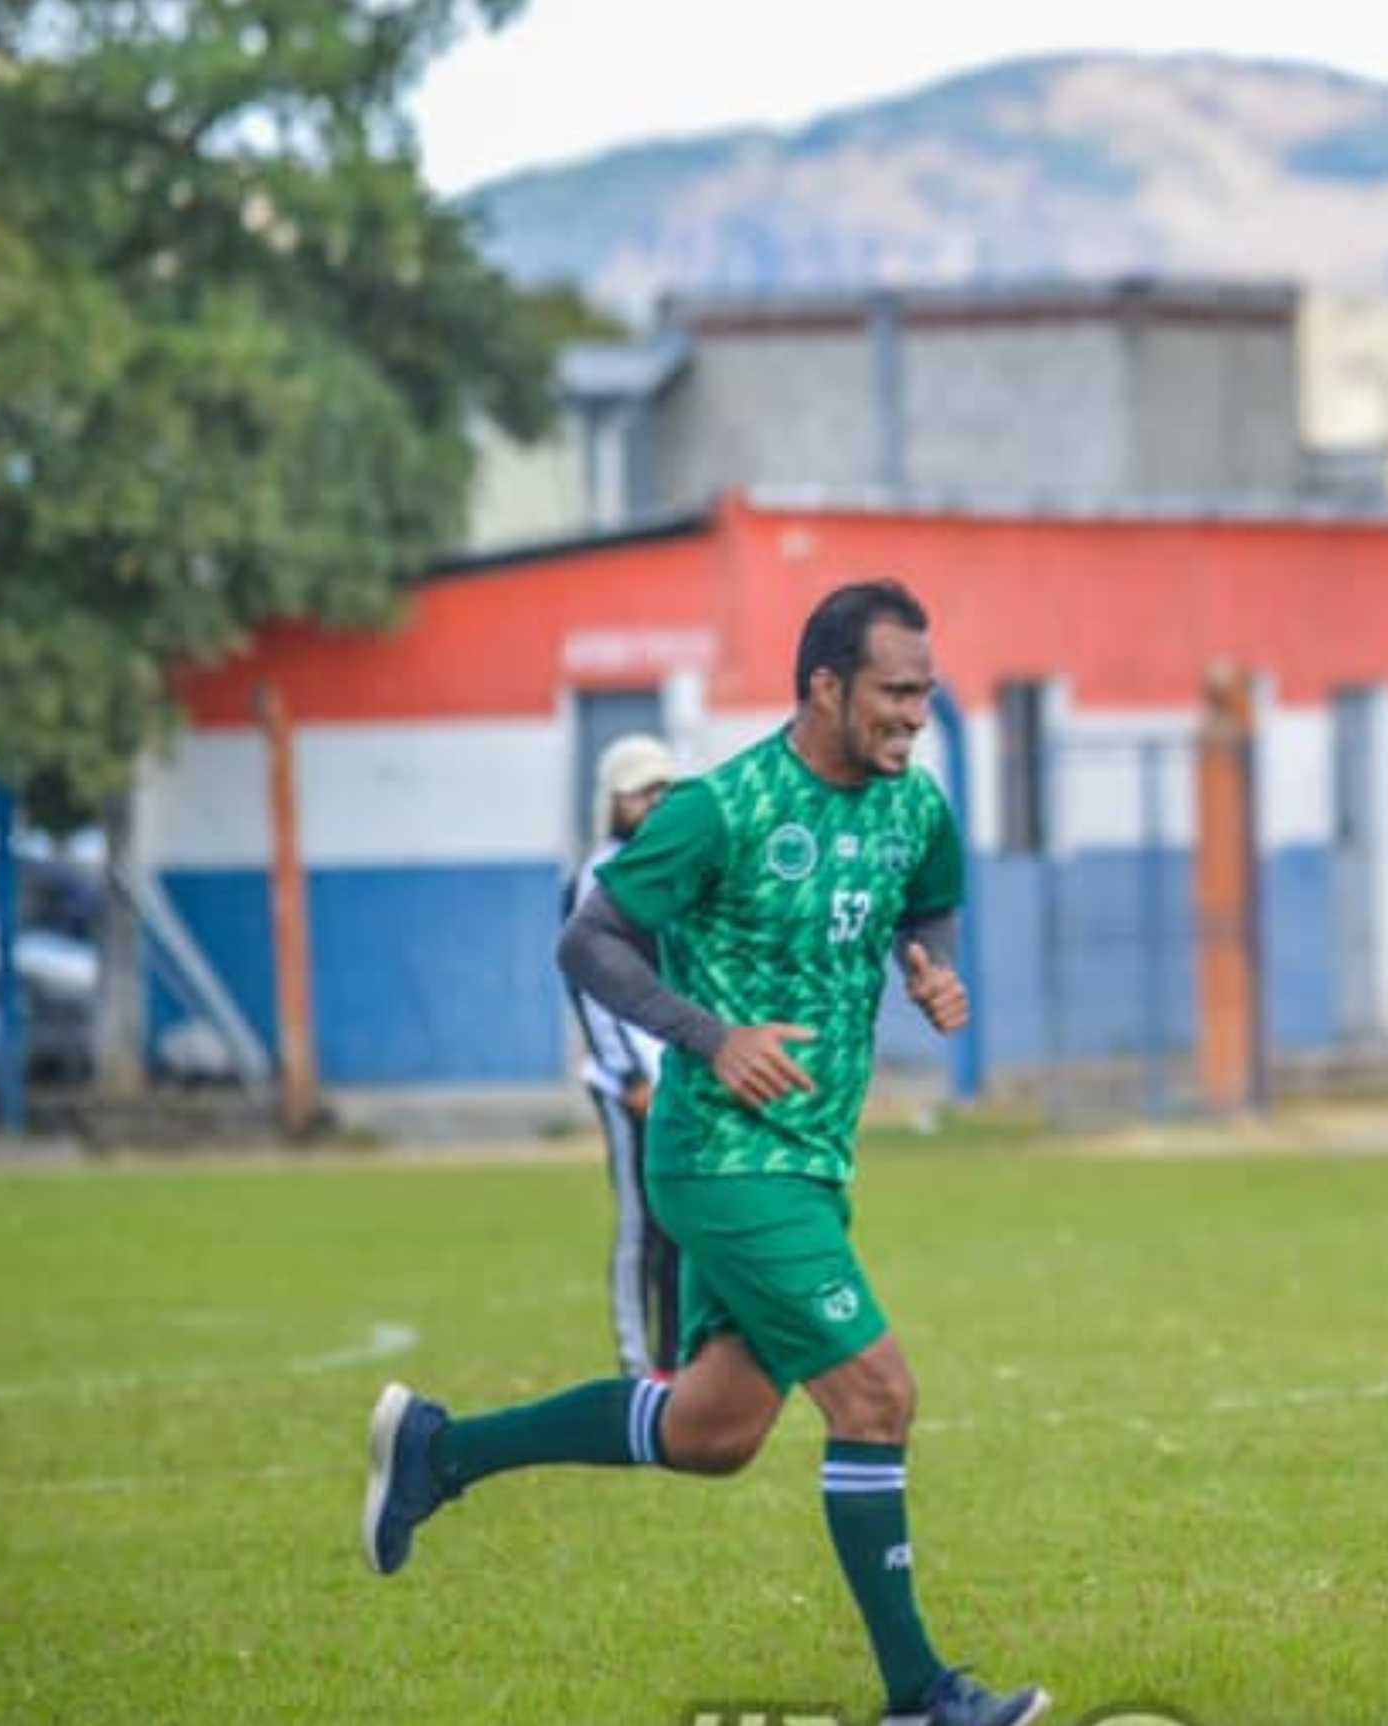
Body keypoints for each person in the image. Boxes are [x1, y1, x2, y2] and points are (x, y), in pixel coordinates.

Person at [361, 580, 1046, 1726]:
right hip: (722, 1156)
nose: (915, 714)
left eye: (925, 691)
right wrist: (711, 1036)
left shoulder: (914, 806)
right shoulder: (719, 810)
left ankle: (440, 1451)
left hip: (813, 1161)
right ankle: (922, 1696)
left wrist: (926, 968)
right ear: (824, 686)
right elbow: (589, 939)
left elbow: (926, 907)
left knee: (712, 1432)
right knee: (876, 1395)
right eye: (894, 691)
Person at [567, 732, 681, 1379]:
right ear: (611, 800)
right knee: (640, 1222)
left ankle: (680, 1360)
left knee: (684, 1220)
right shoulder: (599, 876)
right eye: (640, 791)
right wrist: (630, 1075)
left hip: (679, 1072)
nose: (653, 802)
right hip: (628, 1082)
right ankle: (639, 1366)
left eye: (663, 789)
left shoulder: (673, 871)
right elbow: (592, 987)